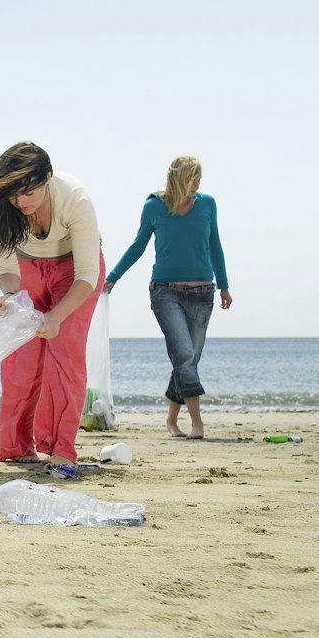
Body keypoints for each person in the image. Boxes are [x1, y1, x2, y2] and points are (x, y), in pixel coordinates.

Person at [0, 142, 102, 474]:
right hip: (27, 269)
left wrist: (56, 317)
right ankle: (16, 446)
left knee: (64, 352)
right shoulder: (1, 208)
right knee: (22, 354)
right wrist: (11, 296)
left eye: (29, 192)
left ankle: (60, 447)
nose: (21, 202)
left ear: (48, 177)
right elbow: (5, 267)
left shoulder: (74, 197)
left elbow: (87, 275)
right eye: (13, 194)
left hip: (75, 272)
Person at [106, 155, 232, 439]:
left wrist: (223, 284)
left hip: (203, 292)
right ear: (179, 178)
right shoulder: (154, 206)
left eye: (199, 178)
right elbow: (138, 245)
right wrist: (113, 277)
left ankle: (171, 419)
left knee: (186, 360)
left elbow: (215, 245)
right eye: (193, 178)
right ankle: (197, 423)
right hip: (166, 291)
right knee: (185, 355)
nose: (198, 184)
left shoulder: (207, 204)